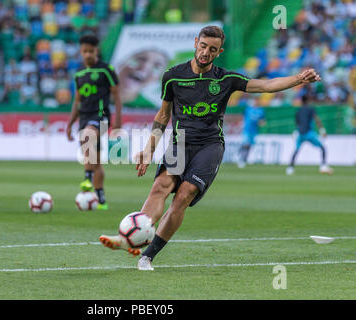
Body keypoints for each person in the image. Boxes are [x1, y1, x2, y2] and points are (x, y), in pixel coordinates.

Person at [99, 26, 322, 270]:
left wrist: (298, 79)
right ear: (196, 43)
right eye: (203, 46)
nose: (206, 52)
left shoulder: (226, 80)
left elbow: (266, 86)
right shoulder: (173, 76)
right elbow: (163, 115)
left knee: (183, 196)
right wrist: (149, 148)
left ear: (219, 52)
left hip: (210, 146)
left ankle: (147, 255)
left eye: (212, 50)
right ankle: (131, 238)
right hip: (180, 141)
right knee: (160, 187)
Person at [66, 35, 123, 210]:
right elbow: (77, 101)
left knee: (88, 136)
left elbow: (117, 97)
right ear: (81, 52)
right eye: (85, 51)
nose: (88, 54)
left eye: (91, 51)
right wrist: (70, 124)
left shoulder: (106, 70)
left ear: (96, 51)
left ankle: (87, 178)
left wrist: (118, 120)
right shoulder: (79, 74)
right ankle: (101, 199)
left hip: (101, 116)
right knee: (96, 159)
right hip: (84, 117)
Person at [286, 95, 333, 175]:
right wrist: (322, 130)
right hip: (309, 133)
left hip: (300, 134)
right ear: (308, 100)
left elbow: (297, 123)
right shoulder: (311, 109)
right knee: (322, 147)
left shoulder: (298, 111)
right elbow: (316, 119)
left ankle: (290, 168)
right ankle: (323, 166)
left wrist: (296, 131)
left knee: (296, 150)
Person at [237, 99, 266, 168]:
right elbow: (242, 116)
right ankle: (241, 157)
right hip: (247, 129)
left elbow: (262, 120)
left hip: (254, 131)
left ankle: (244, 159)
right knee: (246, 144)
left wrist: (261, 123)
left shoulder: (261, 110)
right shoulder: (248, 109)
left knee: (249, 145)